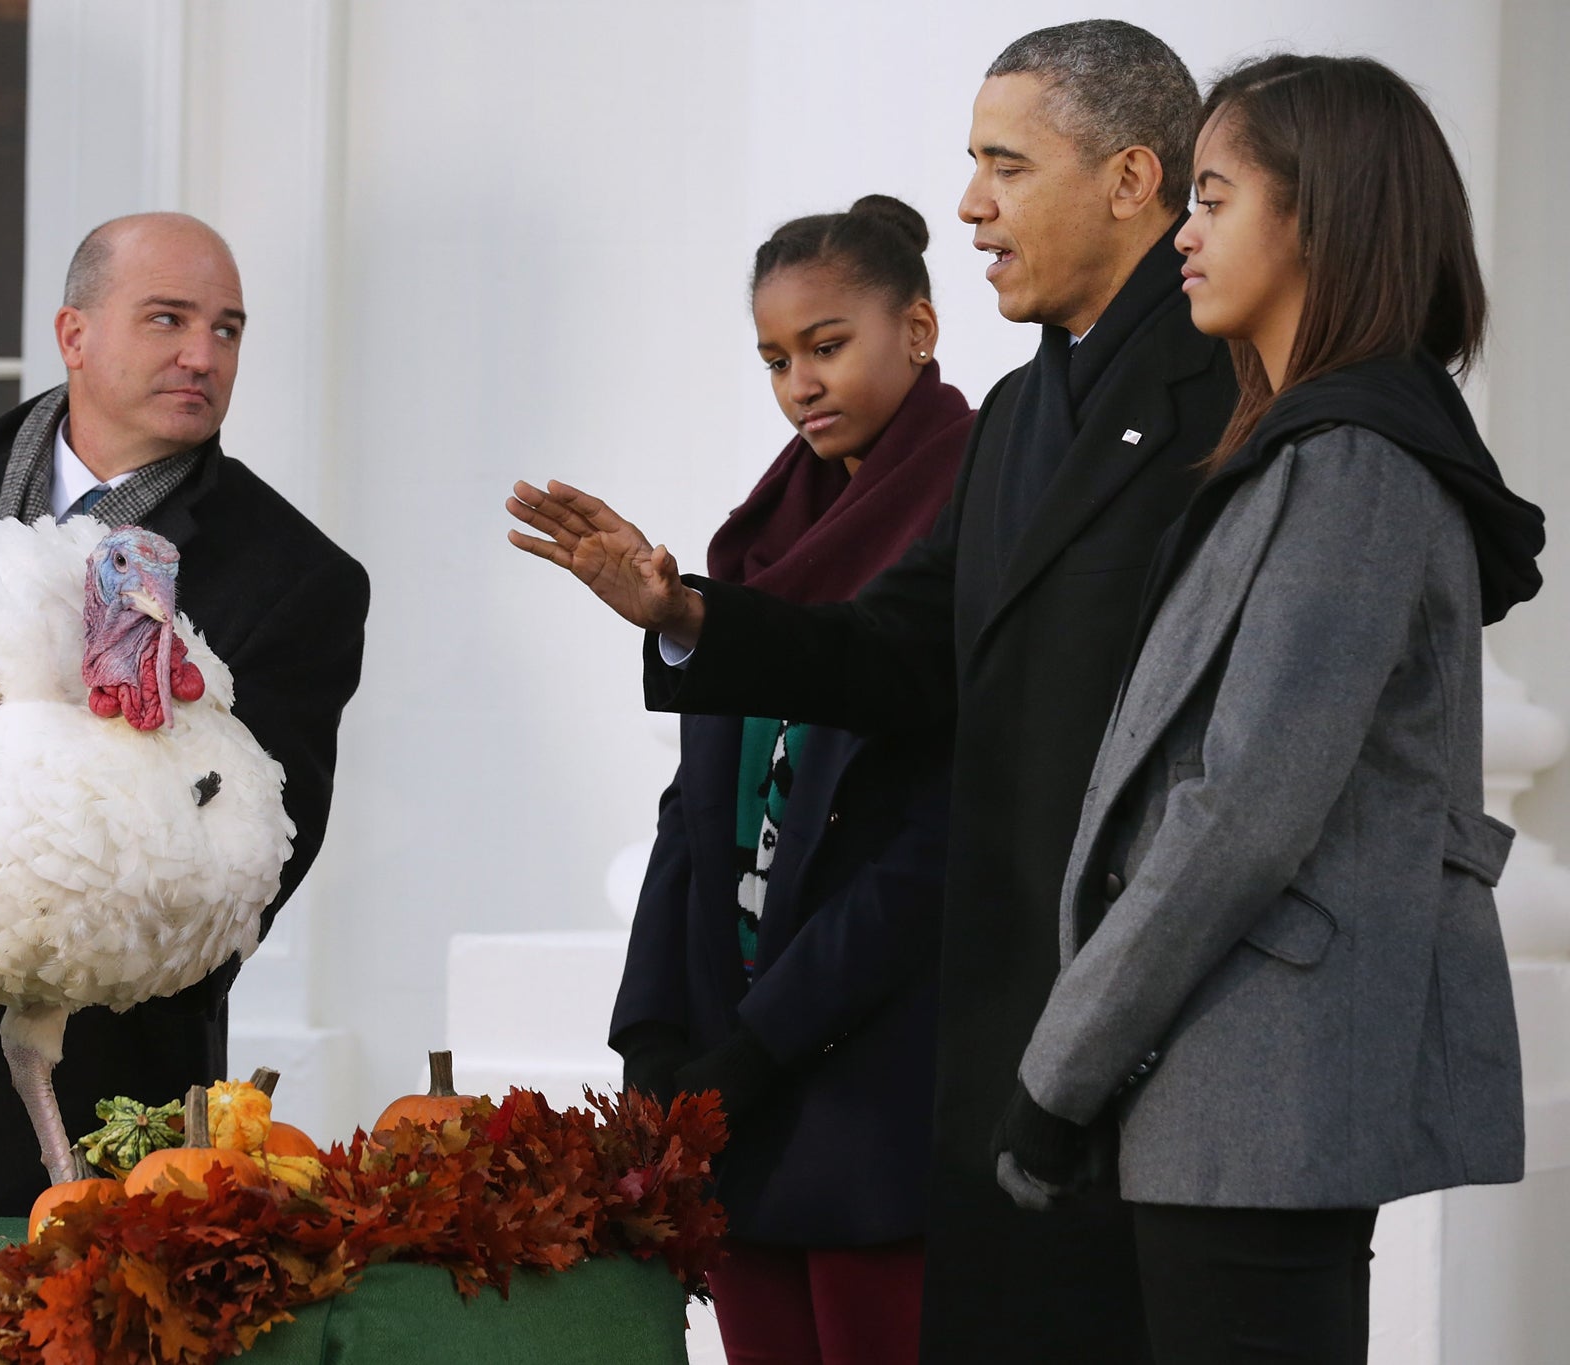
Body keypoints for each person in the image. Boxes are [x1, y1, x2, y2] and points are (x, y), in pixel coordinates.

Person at [507, 21, 1237, 1362]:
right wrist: (685, 614)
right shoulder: (1028, 414)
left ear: (1132, 179)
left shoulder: (1224, 397)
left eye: (1006, 166)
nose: (969, 204)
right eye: (973, 164)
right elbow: (895, 655)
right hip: (1009, 1059)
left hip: (1132, 1045)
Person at [992, 54, 1544, 1364]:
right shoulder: (1317, 446)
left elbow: (1243, 807)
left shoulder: (1352, 463)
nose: (1182, 234)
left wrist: (1058, 1073)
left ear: (1323, 217)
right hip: (1222, 1084)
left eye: (1217, 197)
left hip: (1257, 1088)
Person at [0, 212, 370, 1218]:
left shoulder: (294, 574)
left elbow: (259, 854)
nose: (201, 354)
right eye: (167, 319)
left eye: (227, 330)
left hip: (104, 1090)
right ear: (74, 336)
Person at [611, 195, 970, 1365]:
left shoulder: (970, 514)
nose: (799, 384)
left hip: (875, 1090)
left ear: (916, 330)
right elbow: (693, 809)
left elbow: (936, 832)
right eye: (774, 360)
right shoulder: (759, 536)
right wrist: (654, 1036)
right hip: (736, 1104)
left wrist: (761, 1048)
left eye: (827, 346)